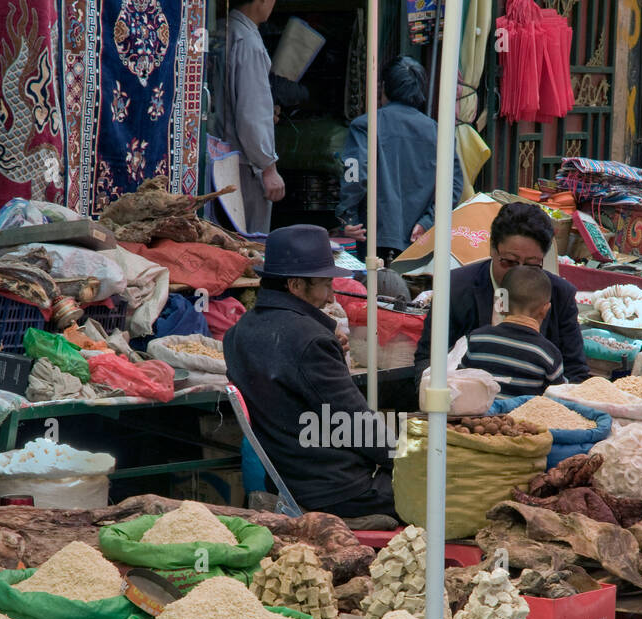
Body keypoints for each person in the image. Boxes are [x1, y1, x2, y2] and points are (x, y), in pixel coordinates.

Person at [223, 225, 395, 519]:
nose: (330, 297)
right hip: (339, 491)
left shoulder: (238, 333)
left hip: (289, 480)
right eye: (325, 285)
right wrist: (406, 458)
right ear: (295, 285)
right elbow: (357, 426)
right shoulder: (310, 340)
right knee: (442, 486)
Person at [413, 202, 590, 384]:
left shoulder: (560, 294)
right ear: (492, 249)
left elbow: (576, 372)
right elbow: (427, 361)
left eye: (531, 265)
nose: (519, 272)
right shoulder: (455, 287)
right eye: (510, 262)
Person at [336, 56, 464, 263]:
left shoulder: (366, 125)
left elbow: (355, 173)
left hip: (373, 233)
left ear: (384, 87)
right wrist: (428, 221)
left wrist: (347, 216)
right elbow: (455, 184)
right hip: (420, 237)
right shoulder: (437, 131)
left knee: (373, 290)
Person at [220, 0, 284, 234]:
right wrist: (269, 168)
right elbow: (251, 115)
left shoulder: (222, 29)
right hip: (244, 164)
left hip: (219, 157)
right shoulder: (247, 41)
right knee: (249, 248)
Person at [461, 266, 566, 398]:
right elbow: (557, 398)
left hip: (477, 417)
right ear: (545, 309)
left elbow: (461, 378)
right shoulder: (548, 355)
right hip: (520, 418)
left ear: (502, 302)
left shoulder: (477, 338)